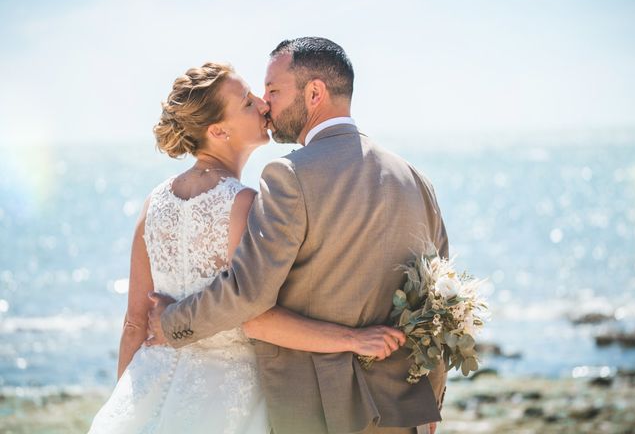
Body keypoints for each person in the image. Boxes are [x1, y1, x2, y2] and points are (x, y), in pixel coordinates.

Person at [147, 38, 449, 434]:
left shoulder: (289, 176)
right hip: (402, 413)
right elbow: (441, 299)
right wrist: (433, 399)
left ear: (315, 92)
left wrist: (170, 323)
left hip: (318, 414)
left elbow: (247, 294)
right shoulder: (415, 179)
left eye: (273, 90)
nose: (266, 104)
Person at [88, 62, 407, 434]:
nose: (262, 104)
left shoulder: (153, 203)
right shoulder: (242, 203)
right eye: (246, 102)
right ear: (218, 130)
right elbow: (254, 316)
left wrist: (126, 402)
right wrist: (354, 339)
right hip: (226, 405)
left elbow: (133, 324)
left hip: (148, 385)